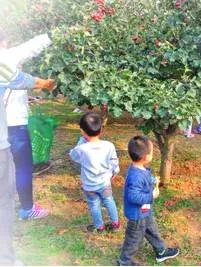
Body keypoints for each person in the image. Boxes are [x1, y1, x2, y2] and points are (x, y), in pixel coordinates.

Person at [0, 31, 56, 264]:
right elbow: (28, 53)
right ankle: (26, 208)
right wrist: (54, 35)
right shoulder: (6, 57)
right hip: (13, 128)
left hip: (8, 127)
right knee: (21, 169)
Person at [118, 136, 179, 265]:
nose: (153, 154)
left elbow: (145, 178)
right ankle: (124, 261)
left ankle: (161, 251)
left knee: (152, 229)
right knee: (134, 239)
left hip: (145, 210)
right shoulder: (135, 176)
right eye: (152, 152)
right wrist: (151, 196)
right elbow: (134, 197)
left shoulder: (140, 168)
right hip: (137, 214)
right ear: (146, 157)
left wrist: (152, 180)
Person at [69, 112, 120, 233]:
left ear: (82, 131)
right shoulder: (109, 145)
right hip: (105, 183)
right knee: (109, 200)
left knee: (94, 205)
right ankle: (115, 223)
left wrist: (81, 140)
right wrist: (115, 171)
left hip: (89, 186)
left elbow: (73, 155)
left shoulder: (81, 149)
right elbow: (114, 161)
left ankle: (99, 226)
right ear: (101, 129)